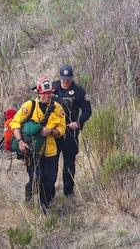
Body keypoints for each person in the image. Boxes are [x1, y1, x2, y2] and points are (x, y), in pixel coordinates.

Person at [10, 78, 67, 210]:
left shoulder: (58, 108)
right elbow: (15, 123)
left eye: (49, 93)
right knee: (36, 179)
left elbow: (62, 129)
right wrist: (20, 142)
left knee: (50, 180)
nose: (47, 96)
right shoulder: (30, 106)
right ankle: (29, 198)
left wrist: (51, 131)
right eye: (44, 93)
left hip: (51, 151)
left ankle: (44, 208)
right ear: (38, 93)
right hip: (33, 151)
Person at [55, 64, 92, 198]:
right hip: (54, 133)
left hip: (71, 133)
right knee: (52, 163)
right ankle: (49, 192)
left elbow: (88, 110)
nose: (65, 82)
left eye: (68, 79)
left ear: (72, 78)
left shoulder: (79, 91)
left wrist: (78, 122)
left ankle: (68, 192)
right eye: (63, 79)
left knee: (69, 163)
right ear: (60, 78)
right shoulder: (53, 88)